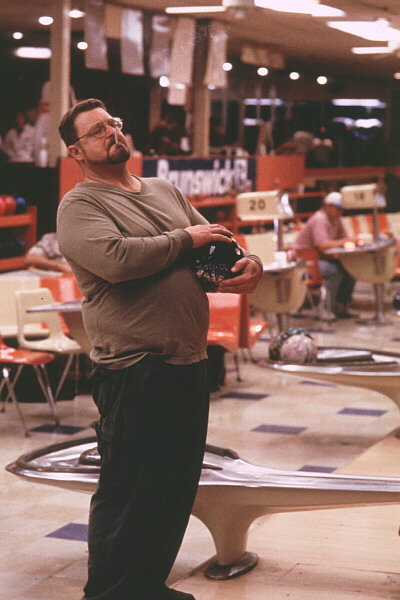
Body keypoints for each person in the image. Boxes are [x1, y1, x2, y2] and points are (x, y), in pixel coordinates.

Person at [57, 98, 262, 600]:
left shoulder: (164, 190)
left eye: (114, 123)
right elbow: (117, 260)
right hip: (134, 366)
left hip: (188, 359)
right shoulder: (80, 206)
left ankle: (148, 586)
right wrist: (184, 239)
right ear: (76, 152)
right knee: (129, 491)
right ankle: (110, 593)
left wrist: (249, 263)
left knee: (172, 487)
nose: (112, 132)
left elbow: (214, 246)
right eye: (97, 130)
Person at [293, 191, 358, 321]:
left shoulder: (337, 219)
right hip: (307, 263)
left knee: (351, 269)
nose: (340, 212)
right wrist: (345, 241)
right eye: (338, 208)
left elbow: (345, 238)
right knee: (334, 272)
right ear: (328, 206)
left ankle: (342, 305)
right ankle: (326, 307)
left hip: (322, 258)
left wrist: (349, 240)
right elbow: (322, 245)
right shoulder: (320, 219)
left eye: (342, 209)